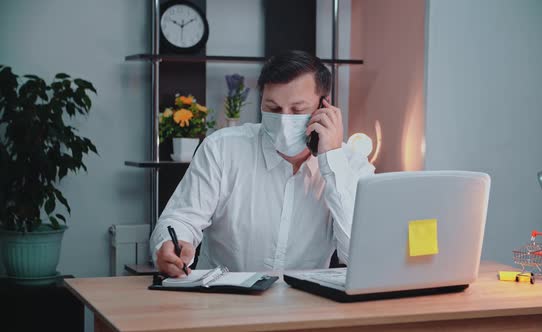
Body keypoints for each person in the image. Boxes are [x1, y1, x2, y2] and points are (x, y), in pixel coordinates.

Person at [150, 50, 375, 276]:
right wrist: (170, 245)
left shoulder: (351, 163)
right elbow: (181, 218)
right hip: (224, 302)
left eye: (298, 110)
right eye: (273, 108)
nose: (285, 120)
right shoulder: (221, 149)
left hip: (307, 306)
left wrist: (332, 160)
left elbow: (358, 255)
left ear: (324, 107)